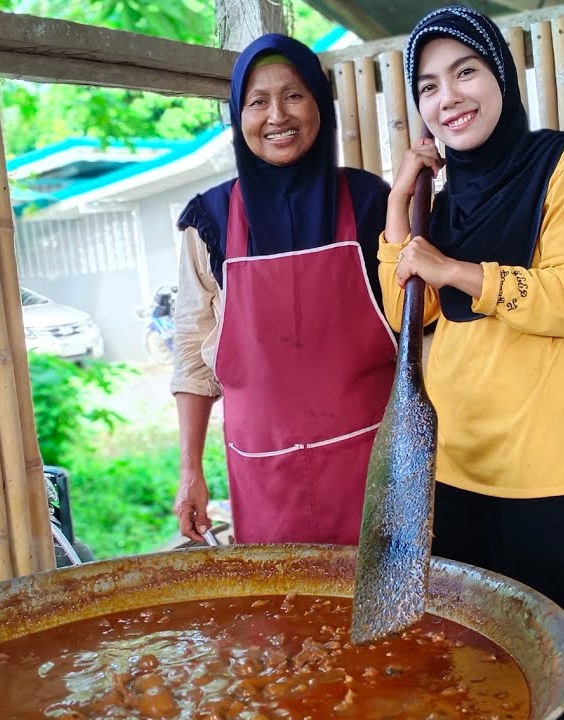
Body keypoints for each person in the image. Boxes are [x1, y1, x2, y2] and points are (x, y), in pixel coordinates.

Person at [383, 7, 564, 717]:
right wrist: (403, 198)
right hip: (458, 469)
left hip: (553, 475)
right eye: (428, 86)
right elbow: (409, 313)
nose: (448, 97)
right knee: (483, 668)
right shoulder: (445, 195)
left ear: (502, 77)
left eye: (466, 72)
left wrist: (457, 271)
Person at [171, 34, 395, 546]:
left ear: (319, 102)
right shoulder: (210, 221)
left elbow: (419, 336)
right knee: (283, 619)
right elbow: (191, 355)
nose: (277, 115)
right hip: (262, 477)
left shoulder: (370, 203)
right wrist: (190, 471)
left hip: (374, 468)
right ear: (238, 115)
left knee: (390, 617)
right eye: (258, 101)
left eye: (294, 95)